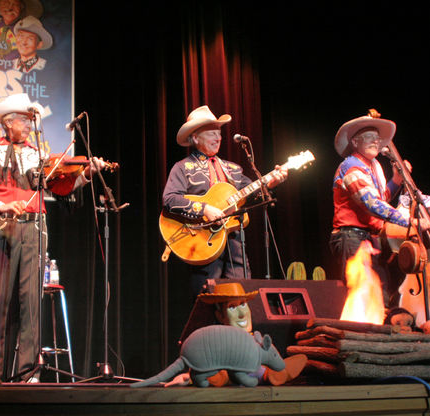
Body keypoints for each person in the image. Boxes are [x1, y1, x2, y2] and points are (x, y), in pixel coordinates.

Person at [0, 93, 101, 381]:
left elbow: (61, 187)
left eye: (30, 121)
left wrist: (85, 174)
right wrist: (0, 206)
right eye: (24, 120)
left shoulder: (39, 154)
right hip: (4, 226)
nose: (29, 126)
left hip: (35, 227)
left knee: (31, 302)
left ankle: (28, 371)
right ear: (7, 122)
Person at [162, 106, 287, 297]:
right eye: (211, 133)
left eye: (219, 133)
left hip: (235, 243)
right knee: (208, 297)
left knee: (241, 293)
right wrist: (204, 209)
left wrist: (271, 183)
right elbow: (170, 200)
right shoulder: (183, 168)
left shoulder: (233, 169)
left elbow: (254, 196)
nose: (218, 138)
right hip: (202, 242)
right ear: (195, 138)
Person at [330, 112, 430, 306]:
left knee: (381, 296)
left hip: (369, 238)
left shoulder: (374, 166)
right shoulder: (351, 167)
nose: (375, 141)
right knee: (364, 296)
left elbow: (381, 198)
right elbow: (372, 205)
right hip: (351, 237)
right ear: (355, 142)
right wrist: (412, 222)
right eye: (369, 137)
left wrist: (396, 181)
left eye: (377, 138)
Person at [169, 282, 307, 387]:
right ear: (220, 316)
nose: (242, 314)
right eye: (232, 307)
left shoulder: (257, 341)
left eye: (243, 304)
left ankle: (274, 375)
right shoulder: (219, 342)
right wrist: (188, 378)